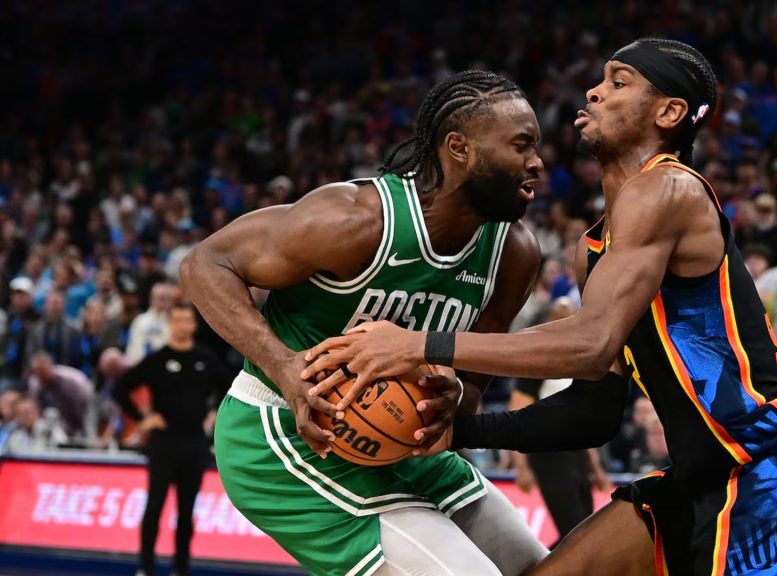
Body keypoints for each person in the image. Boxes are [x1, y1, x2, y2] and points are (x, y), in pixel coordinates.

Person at [307, 39, 777, 575]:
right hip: (697, 477)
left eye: (619, 82)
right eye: (601, 79)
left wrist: (419, 345)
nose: (594, 91)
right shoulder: (595, 251)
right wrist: (458, 432)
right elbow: (593, 412)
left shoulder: (669, 189)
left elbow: (590, 345)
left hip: (770, 465)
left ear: (668, 112)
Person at [180, 70, 548, 576]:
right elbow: (204, 264)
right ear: (459, 149)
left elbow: (473, 384)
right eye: (521, 145)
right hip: (284, 434)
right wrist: (285, 368)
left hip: (401, 444)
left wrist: (456, 395)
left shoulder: (514, 254)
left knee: (541, 568)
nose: (537, 162)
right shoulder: (355, 221)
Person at [115, 302, 230, 576]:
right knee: (154, 505)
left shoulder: (205, 359)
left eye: (186, 321)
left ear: (194, 325)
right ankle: (146, 567)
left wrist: (216, 413)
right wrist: (142, 419)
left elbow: (231, 385)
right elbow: (121, 388)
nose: (182, 326)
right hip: (164, 442)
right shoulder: (157, 360)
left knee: (186, 510)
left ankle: (181, 568)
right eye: (177, 321)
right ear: (169, 325)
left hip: (194, 442)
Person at [508, 297, 611, 545]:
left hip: (576, 453)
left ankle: (547, 562)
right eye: (560, 316)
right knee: (574, 534)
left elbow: (582, 421)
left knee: (584, 531)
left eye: (571, 316)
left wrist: (596, 468)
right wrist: (521, 467)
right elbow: (517, 413)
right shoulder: (537, 361)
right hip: (548, 454)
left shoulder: (578, 364)